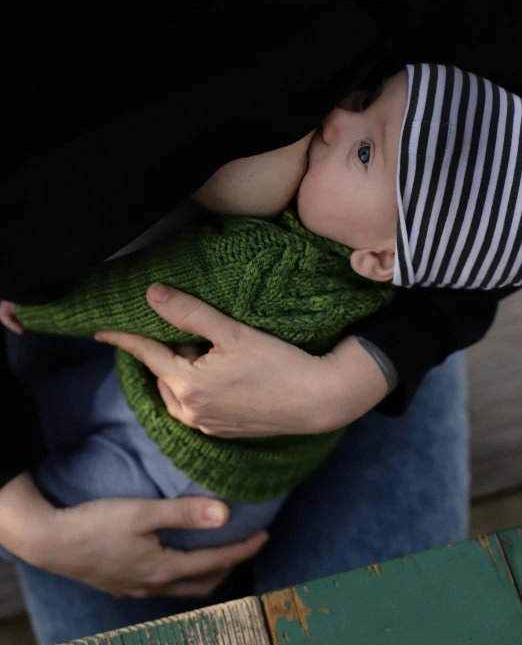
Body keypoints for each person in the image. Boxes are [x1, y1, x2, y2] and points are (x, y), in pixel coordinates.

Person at [0, 0, 521, 645]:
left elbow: (496, 189)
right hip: (82, 380)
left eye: (365, 116)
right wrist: (20, 516)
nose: (338, 120)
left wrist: (349, 380)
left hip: (371, 351)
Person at [1, 61, 521, 552]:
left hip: (175, 475)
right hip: (229, 461)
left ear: (380, 260)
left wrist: (28, 302)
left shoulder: (267, 265)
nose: (337, 118)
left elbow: (132, 296)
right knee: (51, 415)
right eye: (367, 98)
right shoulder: (370, 278)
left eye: (364, 152)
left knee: (60, 501)